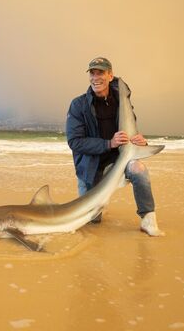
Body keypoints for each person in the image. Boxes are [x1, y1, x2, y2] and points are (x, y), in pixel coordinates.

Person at [65, 57, 164, 236]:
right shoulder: (78, 105)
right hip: (91, 167)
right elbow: (74, 142)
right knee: (92, 220)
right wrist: (108, 143)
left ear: (110, 75)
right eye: (92, 73)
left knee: (139, 169)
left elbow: (132, 133)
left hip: (118, 162)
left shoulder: (122, 104)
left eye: (100, 73)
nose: (96, 77)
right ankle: (101, 200)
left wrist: (141, 142)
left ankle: (148, 219)